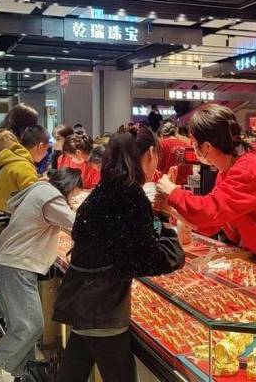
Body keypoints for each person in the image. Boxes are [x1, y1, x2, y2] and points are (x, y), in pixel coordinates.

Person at [53, 129, 185, 382]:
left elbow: (120, 240)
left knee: (72, 374)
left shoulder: (104, 190)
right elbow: (146, 260)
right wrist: (170, 236)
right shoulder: (130, 195)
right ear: (150, 154)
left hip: (83, 300)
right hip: (104, 308)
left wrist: (157, 219)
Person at [156, 105, 256, 268]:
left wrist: (173, 191)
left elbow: (208, 211)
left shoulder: (246, 170)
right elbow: (211, 224)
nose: (195, 149)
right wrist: (170, 209)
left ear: (207, 147)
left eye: (196, 144)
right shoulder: (228, 169)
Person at [0, 168, 81, 382]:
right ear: (68, 187)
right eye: (74, 194)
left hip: (12, 262)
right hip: (18, 265)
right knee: (31, 325)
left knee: (20, 325)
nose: (72, 199)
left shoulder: (40, 190)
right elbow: (78, 225)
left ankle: (24, 374)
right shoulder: (51, 198)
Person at [0, 104, 39, 210]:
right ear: (23, 122)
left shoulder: (9, 135)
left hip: (4, 193)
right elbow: (20, 156)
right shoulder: (5, 136)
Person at [0, 126, 50, 213]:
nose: (46, 153)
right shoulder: (25, 167)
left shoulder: (13, 158)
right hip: (9, 219)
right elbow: (34, 202)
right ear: (41, 146)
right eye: (46, 149)